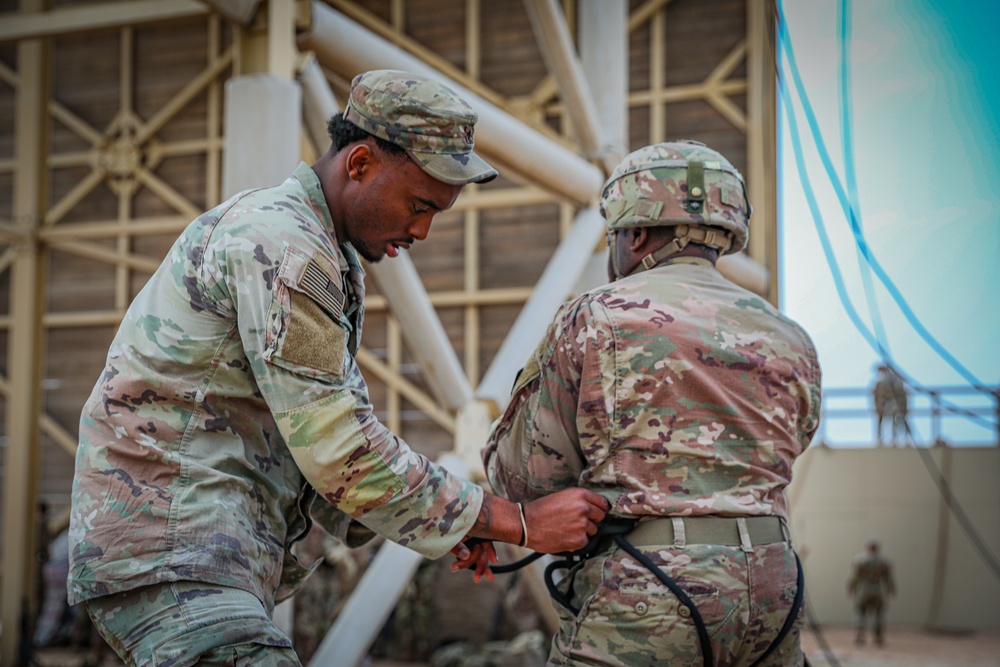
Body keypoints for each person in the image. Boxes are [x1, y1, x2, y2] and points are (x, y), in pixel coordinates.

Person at [67, 69, 609, 666]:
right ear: (359, 164)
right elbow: (340, 453)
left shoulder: (323, 252)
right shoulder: (284, 247)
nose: (423, 230)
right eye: (419, 204)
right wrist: (514, 520)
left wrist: (465, 523)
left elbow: (329, 455)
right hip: (174, 550)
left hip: (197, 552)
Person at [482, 140, 822, 666]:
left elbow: (524, 478)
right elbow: (793, 445)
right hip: (774, 591)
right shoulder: (791, 336)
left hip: (649, 592)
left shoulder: (597, 317)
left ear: (636, 233)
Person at [847, 539, 895, 647]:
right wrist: (890, 589)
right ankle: (878, 636)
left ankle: (860, 634)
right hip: (878, 589)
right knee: (879, 613)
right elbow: (888, 578)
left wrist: (851, 588)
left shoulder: (860, 560)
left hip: (864, 589)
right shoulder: (884, 561)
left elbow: (854, 577)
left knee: (860, 612)